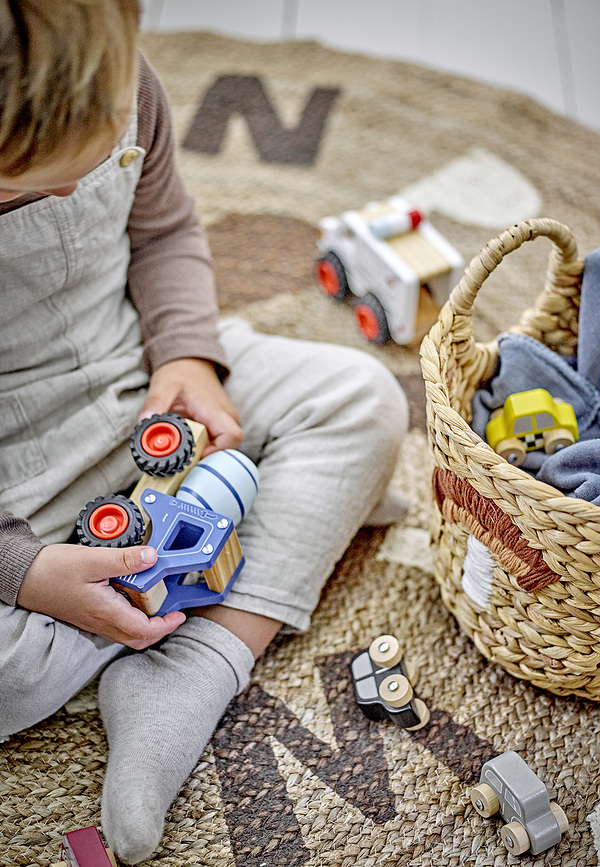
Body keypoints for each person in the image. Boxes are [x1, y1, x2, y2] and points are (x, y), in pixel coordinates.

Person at [0, 1, 409, 863]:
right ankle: (271, 523)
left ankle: (197, 661)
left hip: (136, 371)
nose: (72, 191)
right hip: (17, 482)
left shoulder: (125, 85)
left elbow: (165, 231)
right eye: (26, 183)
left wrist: (188, 355)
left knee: (363, 398)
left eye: (93, 157)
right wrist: (27, 571)